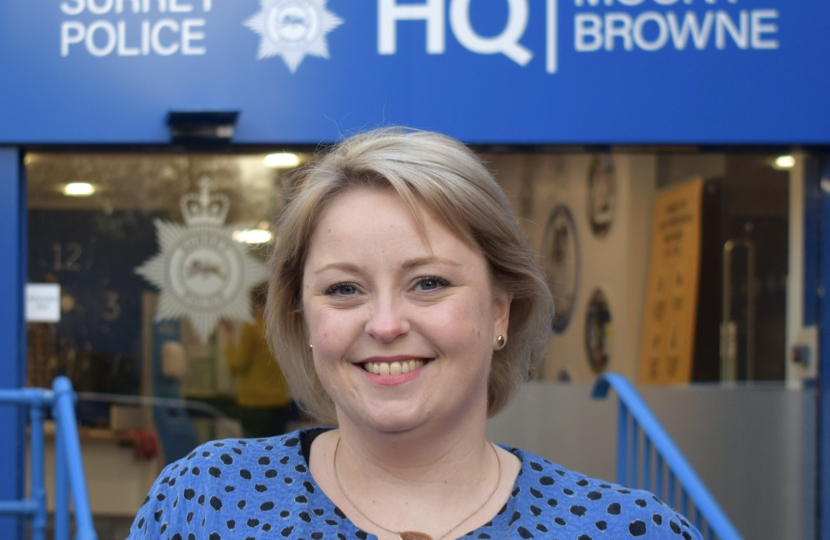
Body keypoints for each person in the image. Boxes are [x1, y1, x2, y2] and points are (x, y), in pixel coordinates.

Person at [127, 128, 703, 540]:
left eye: (428, 282)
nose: (384, 325)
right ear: (303, 320)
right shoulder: (204, 503)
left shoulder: (631, 529)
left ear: (501, 312)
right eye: (344, 289)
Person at [221, 284, 292, 438]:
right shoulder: (280, 330)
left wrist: (228, 336)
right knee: (275, 452)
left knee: (254, 455)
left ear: (255, 303)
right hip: (278, 403)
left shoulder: (251, 328)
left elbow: (236, 366)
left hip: (254, 404)